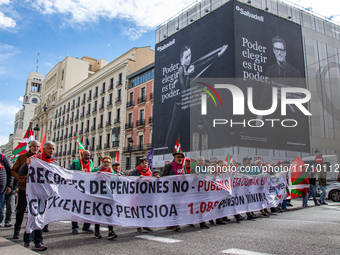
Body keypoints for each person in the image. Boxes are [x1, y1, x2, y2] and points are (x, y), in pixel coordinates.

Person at [19, 141, 58, 251]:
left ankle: (38, 241)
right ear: (44, 149)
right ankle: (27, 241)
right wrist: (27, 164)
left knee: (41, 217)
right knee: (33, 215)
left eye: (53, 149)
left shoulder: (54, 163)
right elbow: (21, 172)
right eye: (49, 148)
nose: (51, 151)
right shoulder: (34, 160)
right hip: (33, 193)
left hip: (45, 195)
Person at [11, 140, 40, 240]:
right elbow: (13, 170)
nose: (35, 148)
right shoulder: (22, 157)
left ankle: (31, 232)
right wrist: (20, 179)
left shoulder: (40, 158)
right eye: (34, 146)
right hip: (24, 188)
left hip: (36, 189)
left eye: (37, 147)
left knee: (34, 212)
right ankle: (17, 230)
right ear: (30, 147)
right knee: (20, 211)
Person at [163, 151, 195, 230]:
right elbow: (163, 177)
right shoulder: (169, 166)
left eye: (181, 157)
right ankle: (175, 224)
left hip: (180, 190)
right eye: (178, 157)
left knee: (178, 206)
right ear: (174, 157)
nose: (180, 159)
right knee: (173, 206)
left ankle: (173, 223)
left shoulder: (182, 166)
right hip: (171, 190)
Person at [91, 156, 118, 239]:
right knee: (98, 214)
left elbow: (117, 182)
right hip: (99, 196)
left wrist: (119, 177)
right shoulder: (96, 171)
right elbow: (89, 177)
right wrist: (95, 175)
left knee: (110, 214)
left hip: (109, 196)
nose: (106, 163)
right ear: (102, 163)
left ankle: (111, 231)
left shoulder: (113, 173)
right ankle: (97, 231)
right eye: (105, 162)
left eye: (108, 162)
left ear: (110, 164)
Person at [69, 150, 94, 234]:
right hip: (77, 189)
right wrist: (79, 172)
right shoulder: (75, 162)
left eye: (89, 155)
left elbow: (93, 172)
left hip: (88, 189)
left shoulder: (91, 163)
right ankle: (75, 227)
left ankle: (86, 226)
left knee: (89, 208)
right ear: (82, 155)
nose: (87, 157)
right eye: (86, 155)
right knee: (76, 207)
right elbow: (70, 173)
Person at [130, 158, 155, 233]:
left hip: (148, 194)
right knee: (140, 209)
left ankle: (146, 225)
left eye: (146, 163)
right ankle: (139, 225)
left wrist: (156, 178)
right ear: (140, 164)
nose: (144, 165)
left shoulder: (149, 172)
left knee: (147, 209)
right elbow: (130, 180)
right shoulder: (136, 171)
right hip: (139, 194)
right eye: (143, 163)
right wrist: (138, 178)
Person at [0, 153, 13, 227]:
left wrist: (9, 186)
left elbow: (10, 172)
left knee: (1, 206)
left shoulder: (2, 157)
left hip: (1, 188)